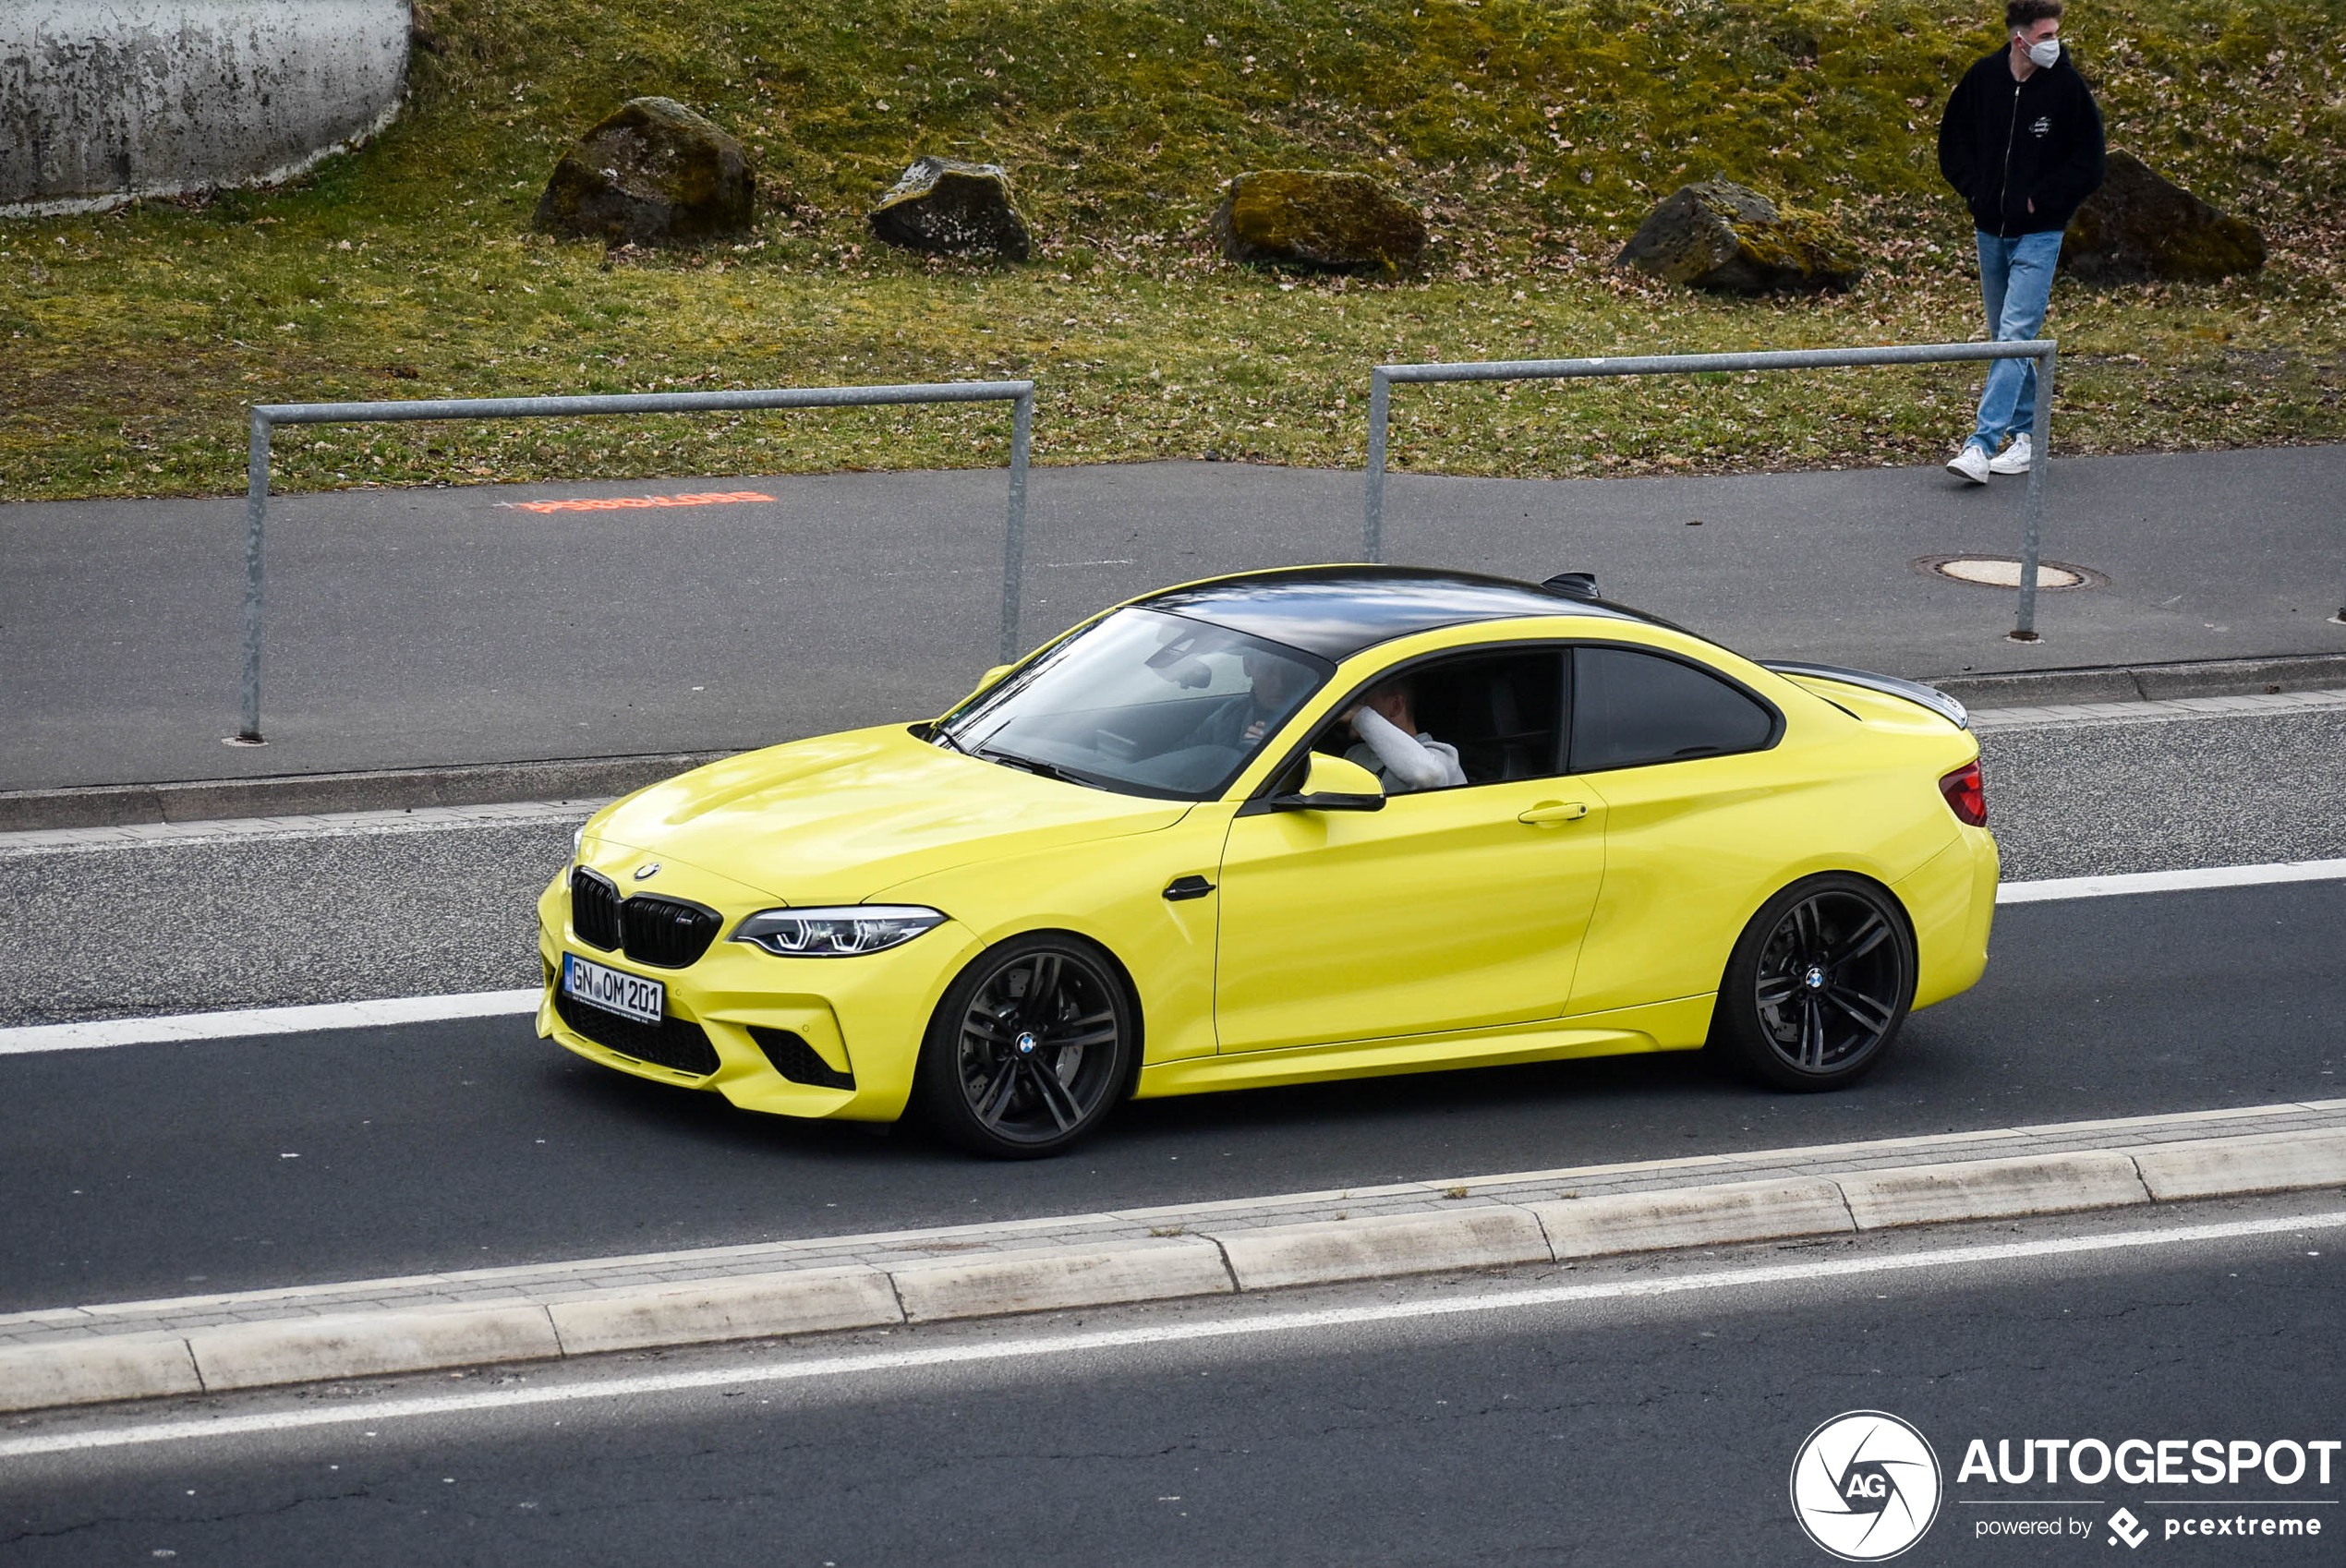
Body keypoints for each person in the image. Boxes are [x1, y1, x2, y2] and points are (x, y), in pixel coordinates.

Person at [1937, 0, 2105, 485]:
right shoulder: (1983, 79)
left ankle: (1980, 444)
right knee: (2008, 340)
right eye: (2046, 35)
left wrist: (2041, 201)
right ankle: (2028, 435)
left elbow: (2090, 164)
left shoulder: (2068, 88)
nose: (2055, 44)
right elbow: (1953, 143)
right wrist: (1977, 190)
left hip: (2040, 233)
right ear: (2020, 39)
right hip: (1990, 230)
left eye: (2056, 34)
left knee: (2013, 337)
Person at [1343, 681, 1466, 793]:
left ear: (1396, 705)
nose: (1352, 708)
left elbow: (1426, 776)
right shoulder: (1355, 754)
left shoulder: (1440, 756)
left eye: (1364, 701)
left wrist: (1361, 716)